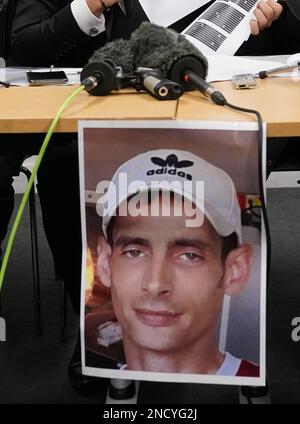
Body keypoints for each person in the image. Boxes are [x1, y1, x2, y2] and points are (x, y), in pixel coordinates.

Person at [0, 0, 282, 392]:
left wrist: (278, 14)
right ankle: (93, 324)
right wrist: (88, 7)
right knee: (65, 167)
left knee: (249, 155)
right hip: (95, 117)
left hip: (218, 106)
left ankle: (243, 344)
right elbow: (23, 48)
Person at [94, 149, 258, 377]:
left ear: (234, 271)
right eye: (134, 252)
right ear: (104, 264)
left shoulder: (256, 389)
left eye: (189, 255)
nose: (155, 284)